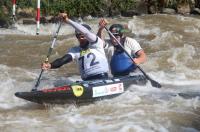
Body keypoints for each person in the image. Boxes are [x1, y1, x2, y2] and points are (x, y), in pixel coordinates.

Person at [42, 13, 109, 81]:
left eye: (83, 36)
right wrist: (50, 65)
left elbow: (86, 33)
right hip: (87, 81)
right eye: (79, 36)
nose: (81, 38)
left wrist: (68, 20)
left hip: (102, 77)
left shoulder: (96, 43)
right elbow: (63, 60)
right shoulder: (75, 50)